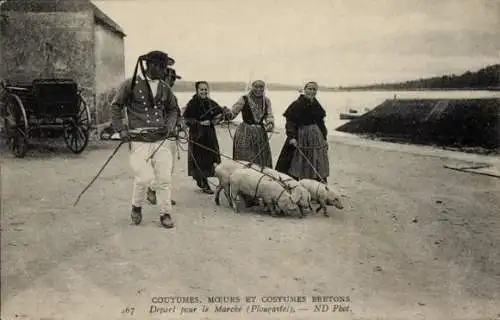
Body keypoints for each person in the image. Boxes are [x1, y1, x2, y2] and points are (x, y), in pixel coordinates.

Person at [110, 50, 179, 229]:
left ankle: (165, 213)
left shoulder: (165, 87)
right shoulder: (130, 84)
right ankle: (136, 206)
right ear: (151, 66)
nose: (165, 71)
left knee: (164, 178)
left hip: (161, 139)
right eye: (162, 67)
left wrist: (170, 125)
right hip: (139, 139)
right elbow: (116, 106)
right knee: (143, 177)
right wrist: (120, 129)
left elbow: (173, 109)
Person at [227, 79, 274, 207]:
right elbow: (233, 113)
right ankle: (245, 195)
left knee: (261, 163)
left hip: (260, 135)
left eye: (261, 87)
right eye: (256, 86)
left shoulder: (266, 101)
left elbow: (269, 115)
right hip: (245, 133)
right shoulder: (243, 99)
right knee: (246, 162)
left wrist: (270, 123)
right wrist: (226, 114)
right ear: (252, 87)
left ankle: (260, 192)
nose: (259, 89)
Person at [275, 81, 329, 182]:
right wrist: (291, 137)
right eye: (309, 89)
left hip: (316, 137)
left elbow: (321, 123)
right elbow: (290, 122)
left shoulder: (316, 105)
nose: (312, 91)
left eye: (314, 89)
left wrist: (324, 138)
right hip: (300, 135)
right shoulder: (297, 104)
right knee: (296, 160)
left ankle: (314, 182)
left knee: (316, 160)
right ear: (305, 90)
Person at [182, 81, 230, 193]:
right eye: (201, 89)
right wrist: (199, 123)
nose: (204, 91)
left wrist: (224, 114)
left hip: (209, 134)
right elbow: (187, 119)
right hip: (197, 134)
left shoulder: (211, 102)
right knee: (199, 158)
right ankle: (203, 182)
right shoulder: (192, 103)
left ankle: (208, 180)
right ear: (197, 90)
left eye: (205, 89)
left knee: (211, 157)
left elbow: (219, 114)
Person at [146, 67, 183, 206]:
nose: (172, 81)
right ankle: (152, 190)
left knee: (169, 168)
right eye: (170, 78)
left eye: (174, 78)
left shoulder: (172, 96)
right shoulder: (156, 95)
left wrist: (179, 123)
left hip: (171, 136)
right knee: (161, 167)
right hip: (160, 136)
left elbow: (176, 114)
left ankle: (161, 194)